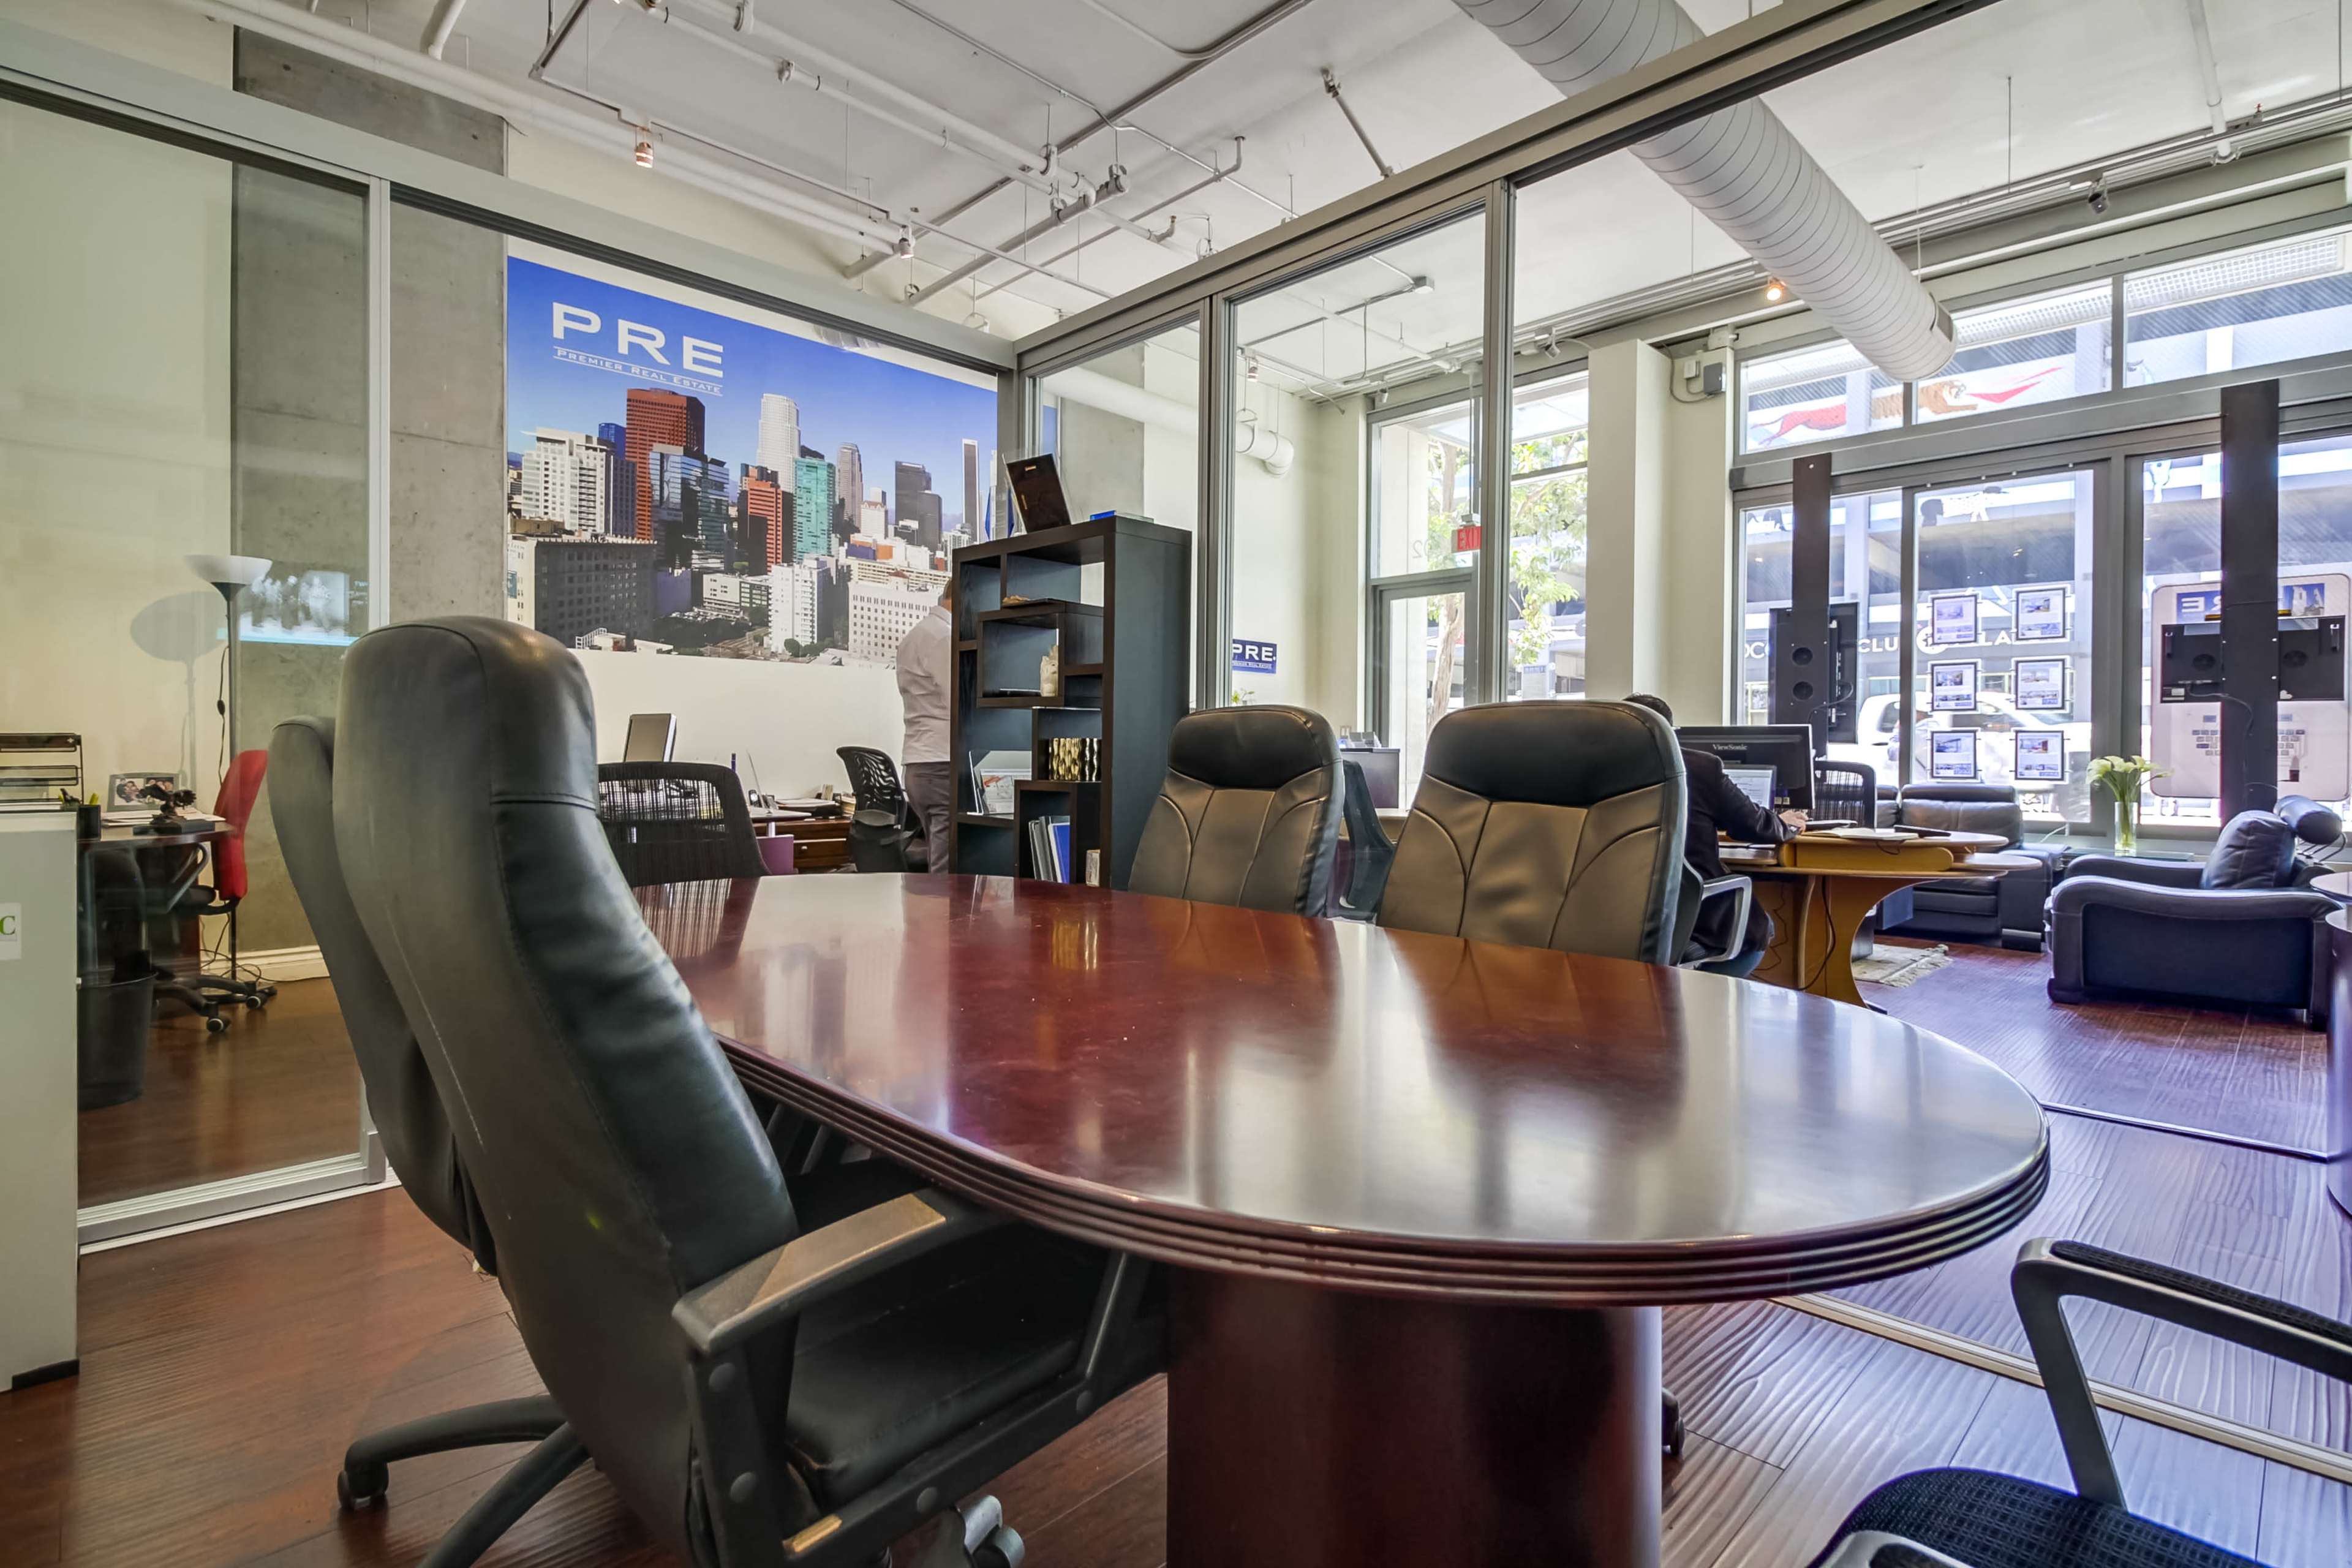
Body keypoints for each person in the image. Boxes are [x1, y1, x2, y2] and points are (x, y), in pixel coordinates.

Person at [1623, 693, 1807, 978]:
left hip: (1616, 918)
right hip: (1695, 922)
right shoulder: (1697, 767)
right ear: (1671, 734)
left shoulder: (1593, 770)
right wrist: (1787, 825)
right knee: (1757, 930)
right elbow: (1752, 825)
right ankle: (1709, 997)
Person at [895, 578, 954, 865]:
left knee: (940, 862)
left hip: (920, 766)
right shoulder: (943, 638)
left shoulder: (916, 635)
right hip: (941, 766)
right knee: (947, 870)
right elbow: (960, 701)